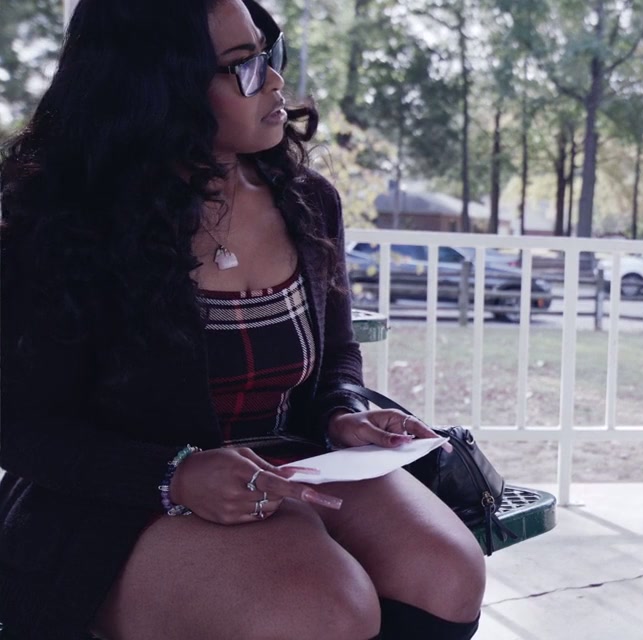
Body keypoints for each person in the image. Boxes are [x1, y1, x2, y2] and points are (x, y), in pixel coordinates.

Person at [0, 0, 485, 638]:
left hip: (292, 460)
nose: (275, 80)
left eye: (267, 53)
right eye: (242, 65)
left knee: (448, 571)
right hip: (119, 497)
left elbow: (337, 356)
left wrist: (343, 413)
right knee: (323, 610)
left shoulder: (307, 202)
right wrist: (175, 475)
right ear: (159, 86)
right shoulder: (65, 221)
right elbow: (20, 423)